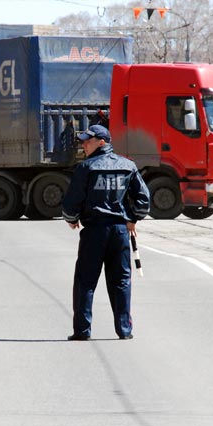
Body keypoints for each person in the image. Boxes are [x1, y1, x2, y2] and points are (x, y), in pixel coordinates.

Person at [62, 124, 151, 341]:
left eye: (88, 141)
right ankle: (124, 330)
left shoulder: (86, 168)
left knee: (85, 281)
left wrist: (72, 218)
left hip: (94, 232)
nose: (84, 144)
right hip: (120, 232)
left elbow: (71, 202)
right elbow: (144, 201)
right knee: (121, 281)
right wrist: (132, 217)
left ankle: (82, 331)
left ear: (102, 142)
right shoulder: (128, 166)